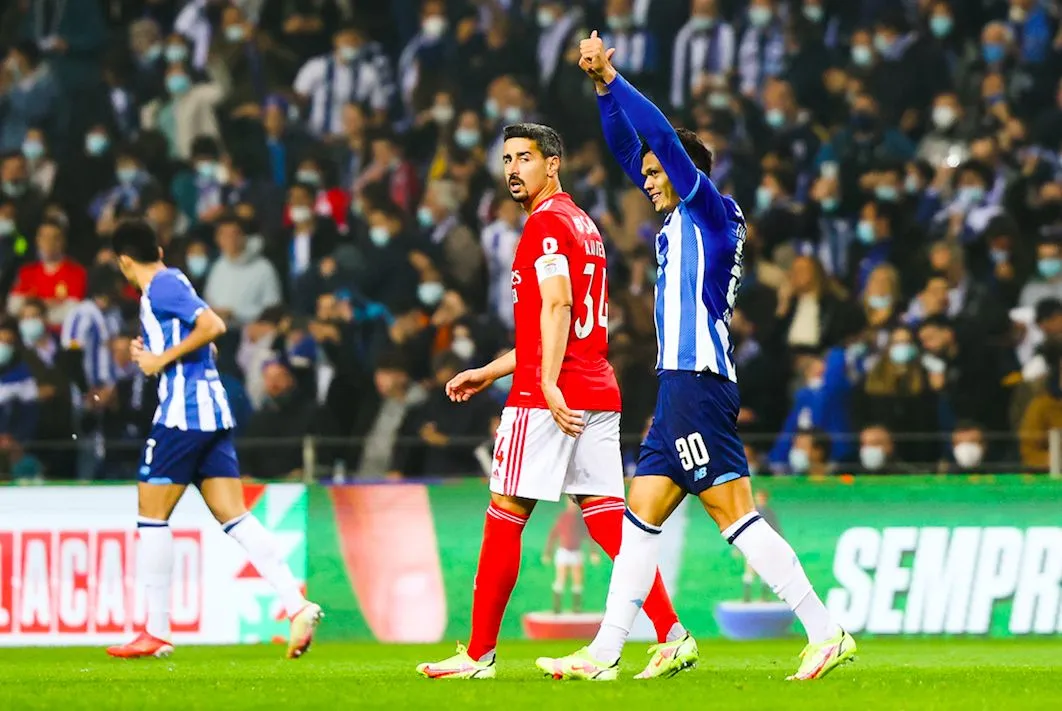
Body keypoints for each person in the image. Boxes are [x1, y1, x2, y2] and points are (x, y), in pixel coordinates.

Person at [538, 33, 855, 682]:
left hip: (698, 381)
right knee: (639, 519)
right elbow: (628, 146)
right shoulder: (679, 218)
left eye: (658, 172)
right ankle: (606, 652)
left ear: (685, 170)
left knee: (733, 515)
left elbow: (654, 135)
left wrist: (614, 75)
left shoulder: (710, 210)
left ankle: (825, 630)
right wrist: (600, 90)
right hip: (679, 386)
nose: (647, 180)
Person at [416, 122, 690, 681]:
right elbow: (557, 323)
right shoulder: (583, 225)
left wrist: (543, 382)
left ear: (553, 163)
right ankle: (671, 634)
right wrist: (489, 371)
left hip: (551, 395)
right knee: (608, 520)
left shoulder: (544, 224)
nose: (513, 169)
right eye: (507, 159)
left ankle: (478, 656)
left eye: (525, 158)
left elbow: (559, 306)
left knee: (505, 514)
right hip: (597, 388)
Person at [103, 220, 322, 660]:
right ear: (158, 249)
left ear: (124, 261)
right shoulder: (174, 282)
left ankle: (156, 630)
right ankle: (297, 604)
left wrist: (159, 360)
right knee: (234, 515)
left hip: (184, 414)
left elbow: (213, 325)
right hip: (211, 411)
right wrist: (155, 355)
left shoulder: (162, 286)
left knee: (151, 516)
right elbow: (208, 345)